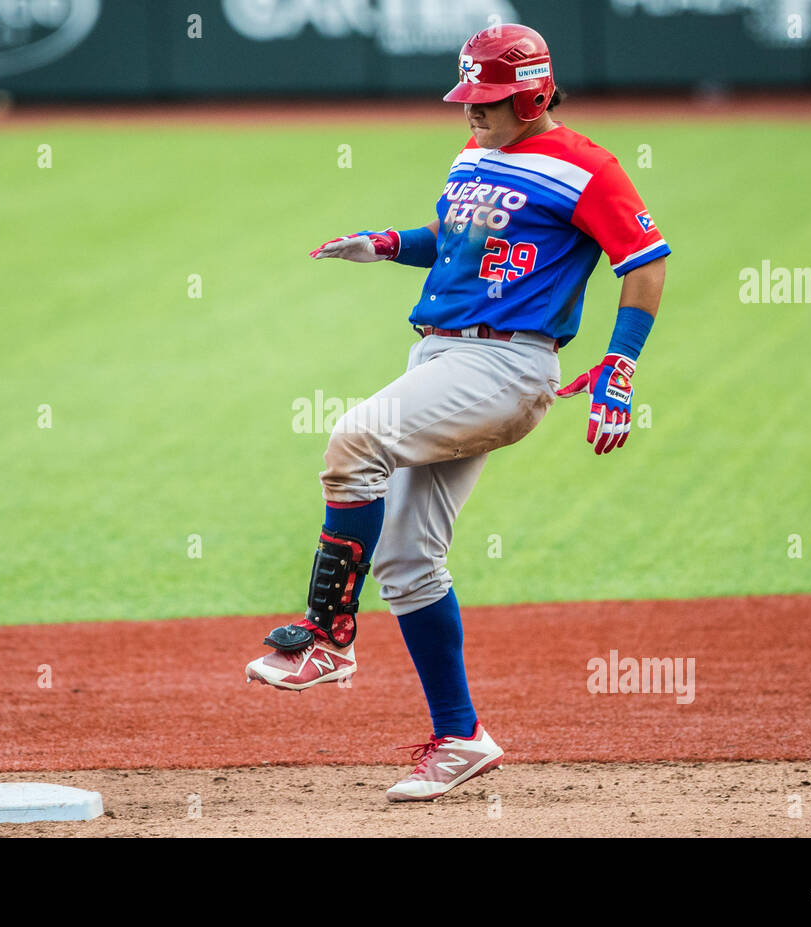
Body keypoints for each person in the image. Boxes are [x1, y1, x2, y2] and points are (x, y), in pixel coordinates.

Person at [245, 23, 669, 802]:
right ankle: (460, 735)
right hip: (441, 357)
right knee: (408, 564)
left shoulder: (588, 168)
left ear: (535, 93)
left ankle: (327, 633)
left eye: (489, 100)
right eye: (468, 97)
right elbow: (455, 237)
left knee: (354, 440)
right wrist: (387, 242)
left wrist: (621, 363)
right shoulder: (474, 154)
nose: (473, 112)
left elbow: (646, 261)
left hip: (506, 365)